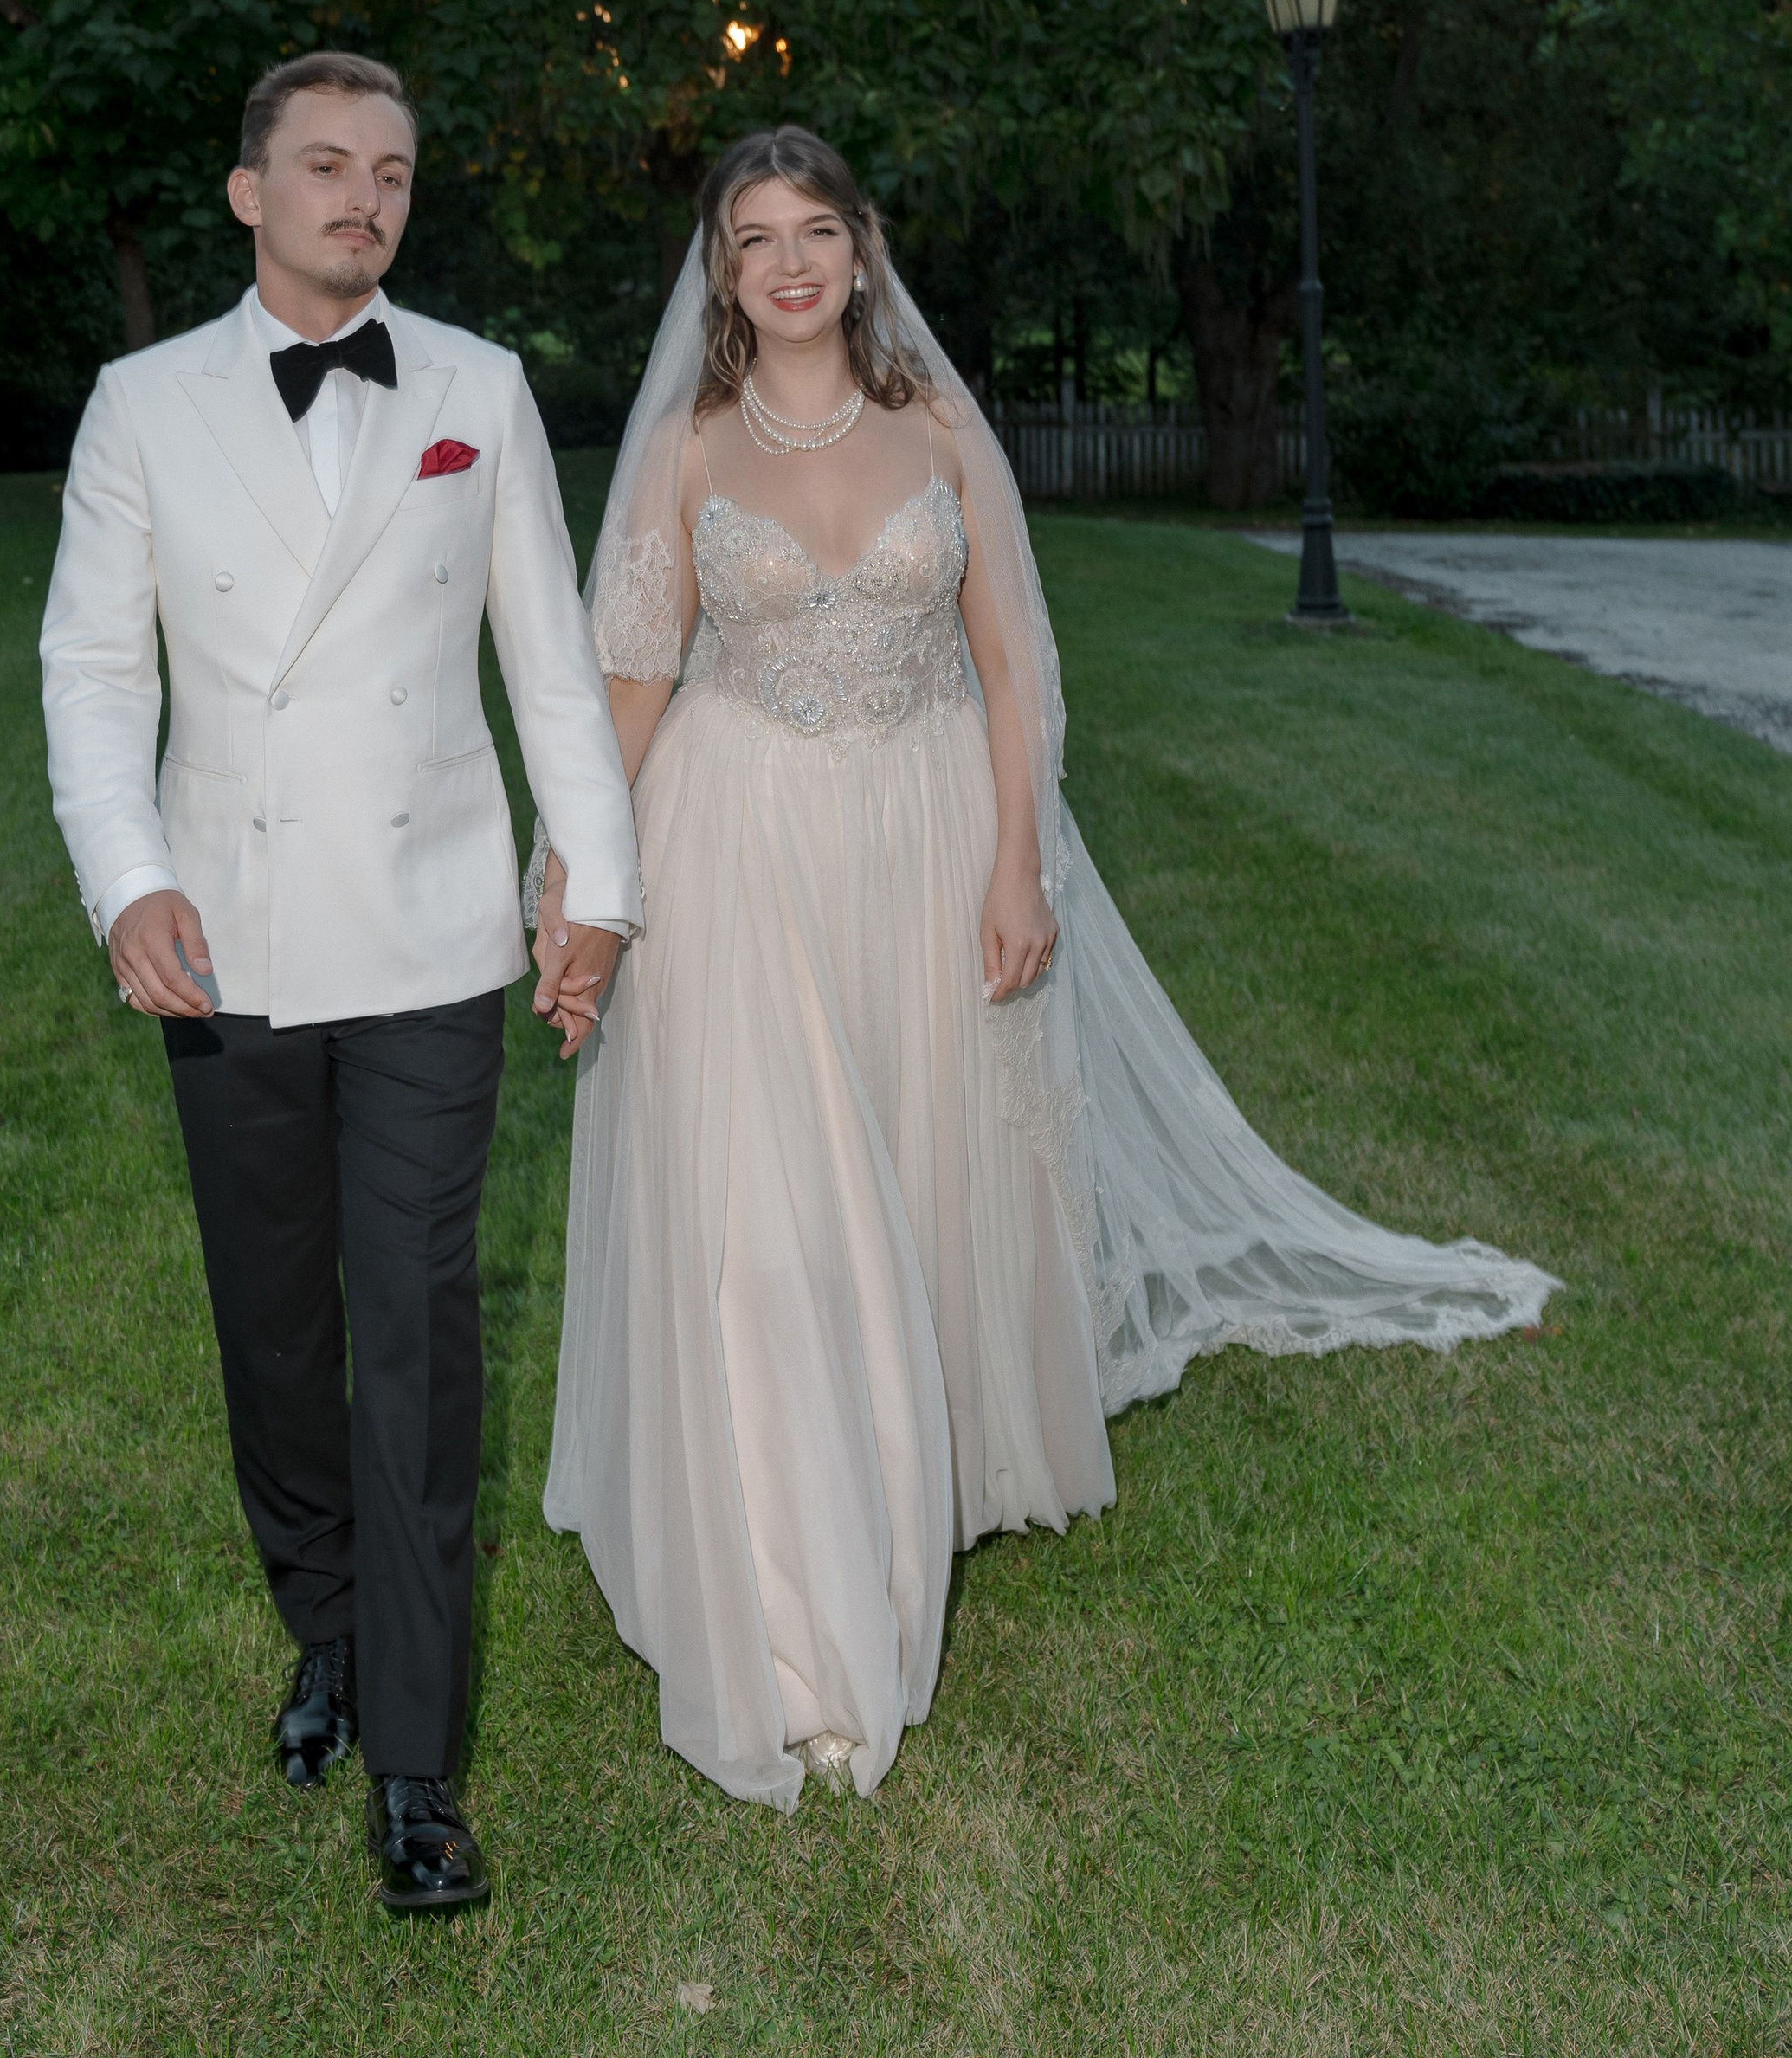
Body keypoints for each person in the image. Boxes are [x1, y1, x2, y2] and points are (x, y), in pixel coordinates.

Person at [542, 126, 1556, 1810]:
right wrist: (580, 896)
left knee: (926, 1152)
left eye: (813, 230)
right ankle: (791, 1556)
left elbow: (1012, 662)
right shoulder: (683, 451)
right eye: (750, 238)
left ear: (860, 252)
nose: (786, 262)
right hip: (740, 851)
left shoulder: (936, 426)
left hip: (933, 831)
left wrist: (1014, 860)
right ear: (718, 273)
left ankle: (932, 1450)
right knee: (775, 1216)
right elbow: (626, 693)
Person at [40, 51, 638, 1912]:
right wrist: (128, 879)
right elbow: (91, 674)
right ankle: (325, 1624)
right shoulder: (141, 405)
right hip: (225, 940)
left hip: (432, 935)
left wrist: (595, 885)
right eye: (323, 166)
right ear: (249, 195)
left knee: (418, 1329)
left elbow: (551, 664)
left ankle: (416, 1764)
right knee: (277, 1331)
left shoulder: (478, 388)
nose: (360, 198)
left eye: (387, 172)